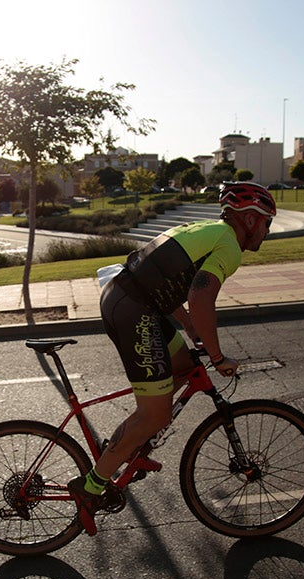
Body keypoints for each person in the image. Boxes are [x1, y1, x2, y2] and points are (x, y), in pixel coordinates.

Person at [67, 181, 278, 535]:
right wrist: (217, 354)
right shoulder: (229, 245)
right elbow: (201, 297)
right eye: (268, 223)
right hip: (135, 310)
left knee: (184, 367)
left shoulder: (210, 231)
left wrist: (190, 329)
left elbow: (162, 280)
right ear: (252, 219)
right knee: (156, 412)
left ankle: (128, 444)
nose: (267, 232)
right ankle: (89, 489)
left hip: (131, 300)